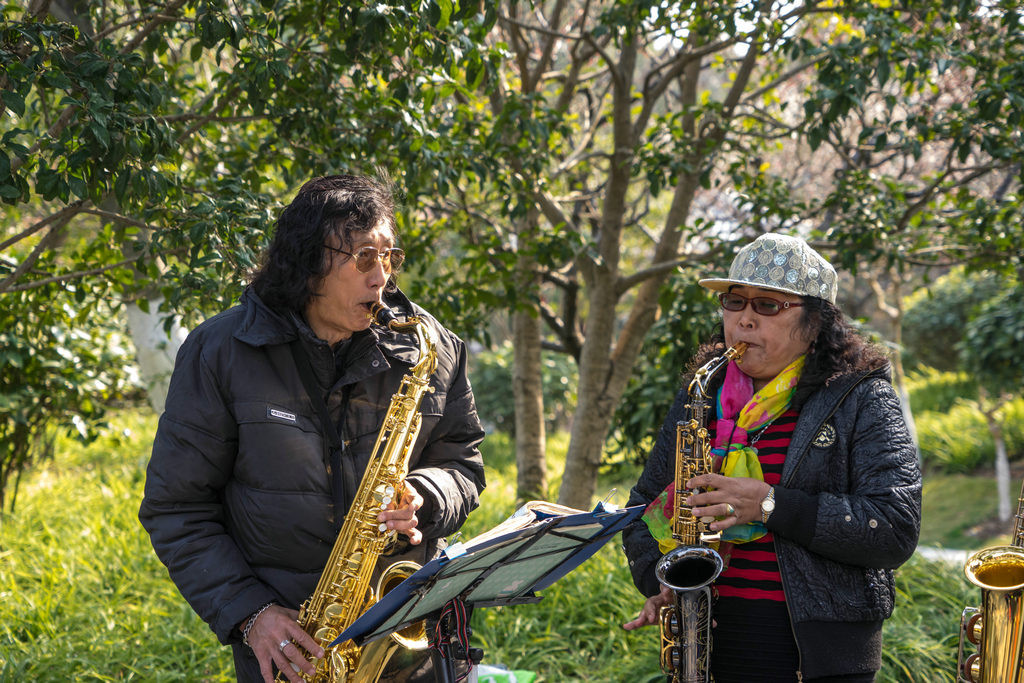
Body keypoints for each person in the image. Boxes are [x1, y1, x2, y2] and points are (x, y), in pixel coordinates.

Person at [139, 174, 486, 683]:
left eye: (389, 256)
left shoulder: (433, 346)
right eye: (364, 257)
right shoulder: (219, 353)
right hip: (295, 652)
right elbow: (178, 508)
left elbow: (463, 464)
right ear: (307, 262)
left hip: (413, 639)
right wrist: (249, 613)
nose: (383, 278)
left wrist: (425, 494)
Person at [621, 233, 921, 682]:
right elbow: (642, 506)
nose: (743, 320)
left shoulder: (863, 398)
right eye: (734, 301)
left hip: (820, 660)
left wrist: (770, 504)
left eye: (767, 305)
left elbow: (894, 526)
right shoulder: (700, 398)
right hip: (707, 648)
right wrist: (659, 577)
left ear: (816, 323)